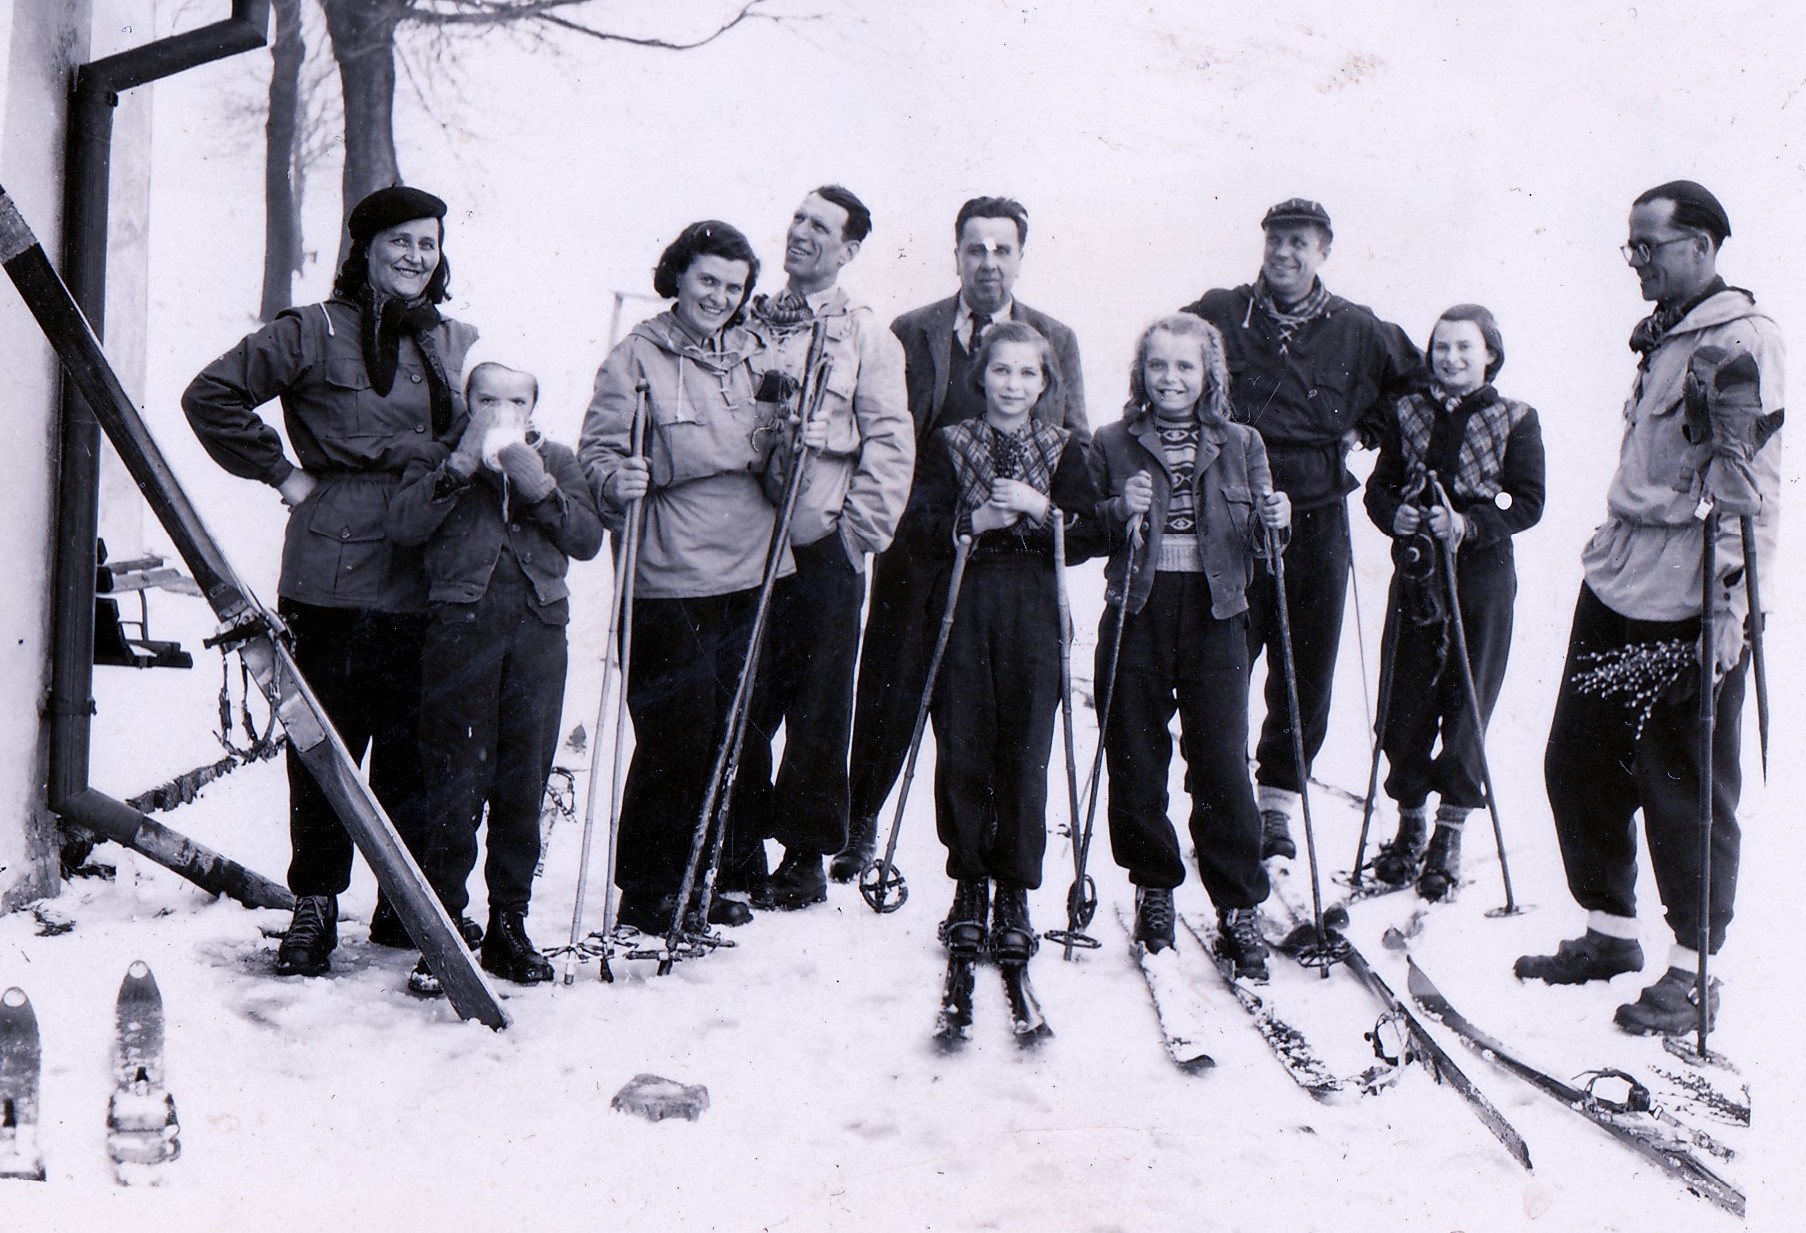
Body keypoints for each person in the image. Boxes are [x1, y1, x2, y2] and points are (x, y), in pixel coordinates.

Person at [182, 186, 479, 976]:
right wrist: (283, 473)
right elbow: (210, 395)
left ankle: (404, 903)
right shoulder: (313, 329)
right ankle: (315, 902)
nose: (416, 255)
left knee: (413, 747)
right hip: (334, 568)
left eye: (428, 242)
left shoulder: (449, 339)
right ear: (366, 248)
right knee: (324, 742)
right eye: (400, 241)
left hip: (426, 568)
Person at [1517, 182, 1783, 1035]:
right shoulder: (1665, 333)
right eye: (1629, 246)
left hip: (1686, 593)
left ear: (1701, 246)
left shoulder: (1739, 341)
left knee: (1682, 782)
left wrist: (1728, 611)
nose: (1636, 261)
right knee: (1579, 759)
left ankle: (1695, 972)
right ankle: (1609, 932)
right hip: (1619, 576)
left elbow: (1751, 490)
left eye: (1649, 246)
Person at [840, 196, 1089, 882]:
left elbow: (1076, 440)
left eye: (1002, 249)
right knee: (890, 683)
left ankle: (995, 858)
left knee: (988, 711)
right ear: (956, 254)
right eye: (975, 248)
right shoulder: (913, 330)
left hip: (1013, 559)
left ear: (1020, 257)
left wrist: (1038, 507)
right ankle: (861, 821)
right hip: (921, 538)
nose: (988, 262)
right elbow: (885, 432)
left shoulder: (1053, 337)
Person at [1182, 198, 1420, 860]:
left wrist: (1366, 429)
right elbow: (1165, 357)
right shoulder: (1222, 310)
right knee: (1221, 656)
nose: (1285, 253)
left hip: (1317, 512)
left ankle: (1277, 804)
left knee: (1304, 664)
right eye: (1276, 240)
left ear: (1323, 251)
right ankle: (1217, 798)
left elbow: (1416, 383)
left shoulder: (1358, 326)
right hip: (1231, 505)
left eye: (1300, 243)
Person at [578, 220, 788, 935]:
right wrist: (617, 477)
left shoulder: (758, 353)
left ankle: (713, 870)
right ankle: (651, 886)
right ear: (678, 276)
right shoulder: (638, 355)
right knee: (677, 733)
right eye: (707, 280)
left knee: (736, 732)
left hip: (752, 566)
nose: (719, 297)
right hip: (670, 572)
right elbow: (598, 452)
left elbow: (778, 443)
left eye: (734, 286)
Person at [388, 361, 603, 993]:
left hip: (539, 634)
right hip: (462, 633)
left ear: (533, 407)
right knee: (455, 781)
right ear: (467, 401)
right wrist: (459, 466)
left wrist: (541, 488)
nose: (501, 411)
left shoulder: (557, 458)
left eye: (515, 400)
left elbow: (587, 539)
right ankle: (444, 928)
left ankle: (510, 922)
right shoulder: (437, 456)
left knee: (523, 779)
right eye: (487, 400)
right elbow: (403, 526)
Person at [1088, 315, 1291, 980]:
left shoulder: (1242, 442)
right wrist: (1118, 508)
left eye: (1184, 366)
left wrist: (1277, 521)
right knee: (1135, 754)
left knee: (1222, 763)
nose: (1170, 379)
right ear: (1140, 372)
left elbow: (1264, 546)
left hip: (1216, 613)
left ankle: (1238, 904)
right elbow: (1084, 532)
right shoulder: (1112, 441)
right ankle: (1154, 887)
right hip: (1138, 610)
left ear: (1209, 375)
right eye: (1158, 365)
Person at [905, 321, 1112, 967]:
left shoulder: (1062, 448)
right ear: (981, 376)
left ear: (1045, 383)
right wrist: (977, 519)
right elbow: (919, 527)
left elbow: (1090, 533)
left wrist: (1038, 506)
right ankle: (969, 883)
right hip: (965, 599)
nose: (1013, 384)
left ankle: (1016, 891)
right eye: (1001, 370)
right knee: (964, 739)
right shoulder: (948, 443)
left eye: (1027, 373)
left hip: (1034, 602)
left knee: (1026, 746)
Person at [734, 186, 912, 910]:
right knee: (740, 694)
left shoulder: (866, 335)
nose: (801, 233)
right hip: (740, 546)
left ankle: (804, 853)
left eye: (821, 226)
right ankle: (737, 843)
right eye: (798, 219)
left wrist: (854, 537)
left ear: (849, 250)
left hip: (821, 544)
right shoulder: (746, 321)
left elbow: (891, 444)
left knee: (819, 702)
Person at [1362, 306, 1545, 901]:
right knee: (1404, 699)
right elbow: (1379, 486)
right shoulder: (1408, 411)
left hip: (1481, 576)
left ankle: (1448, 835)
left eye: (1465, 347)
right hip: (1418, 572)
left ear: (1490, 353)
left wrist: (1469, 524)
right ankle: (1410, 827)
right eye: (1441, 347)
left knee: (1468, 699)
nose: (1451, 358)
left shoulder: (1516, 418)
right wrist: (1396, 514)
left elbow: (1528, 501)